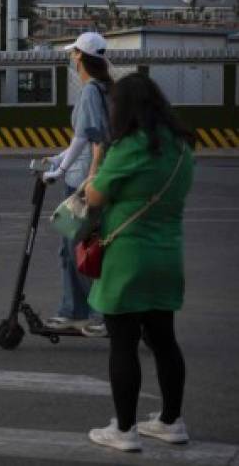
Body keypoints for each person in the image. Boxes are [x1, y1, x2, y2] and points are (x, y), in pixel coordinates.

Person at [83, 73, 194, 453]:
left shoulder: (130, 146)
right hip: (167, 254)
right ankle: (171, 421)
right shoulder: (181, 147)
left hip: (128, 256)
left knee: (124, 343)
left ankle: (125, 430)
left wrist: (96, 164)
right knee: (164, 341)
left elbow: (94, 196)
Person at [43, 31, 113, 337]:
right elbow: (81, 140)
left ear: (81, 57)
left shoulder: (89, 92)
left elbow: (87, 136)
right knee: (77, 247)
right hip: (91, 178)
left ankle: (89, 313)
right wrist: (57, 159)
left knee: (79, 248)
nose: (72, 58)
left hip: (85, 183)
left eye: (74, 53)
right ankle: (77, 310)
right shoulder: (106, 89)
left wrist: (61, 170)